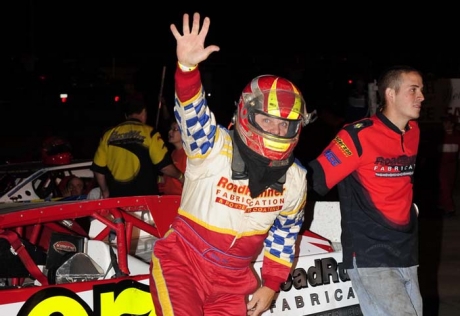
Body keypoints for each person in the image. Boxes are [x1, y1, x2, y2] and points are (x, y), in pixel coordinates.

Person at [149, 12, 314, 316]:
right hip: (184, 263)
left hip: (236, 279)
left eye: (285, 125)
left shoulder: (295, 178)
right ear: (247, 114)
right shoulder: (213, 147)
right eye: (268, 119)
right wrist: (187, 68)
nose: (277, 131)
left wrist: (271, 284)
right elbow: (191, 112)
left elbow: (285, 234)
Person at [307, 65, 424, 315]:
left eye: (421, 90)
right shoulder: (356, 136)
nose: (421, 97)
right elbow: (312, 180)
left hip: (406, 252)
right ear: (390, 94)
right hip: (371, 255)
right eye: (413, 90)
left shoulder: (414, 132)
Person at [91, 94, 184, 198]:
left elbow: (98, 170)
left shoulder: (108, 135)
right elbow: (165, 166)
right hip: (145, 200)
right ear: (144, 112)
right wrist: (180, 176)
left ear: (126, 116)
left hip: (117, 201)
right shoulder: (150, 133)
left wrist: (105, 191)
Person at [437, 113, 460, 217]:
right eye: (444, 122)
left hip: (452, 165)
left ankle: (444, 206)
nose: (445, 124)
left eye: (447, 122)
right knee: (444, 186)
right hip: (441, 165)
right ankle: (449, 208)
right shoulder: (439, 135)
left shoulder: (457, 135)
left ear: (452, 124)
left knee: (448, 187)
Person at [161, 121, 187, 195]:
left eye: (174, 129)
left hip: (180, 198)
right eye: (170, 129)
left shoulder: (188, 155)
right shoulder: (173, 153)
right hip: (168, 197)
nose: (169, 132)